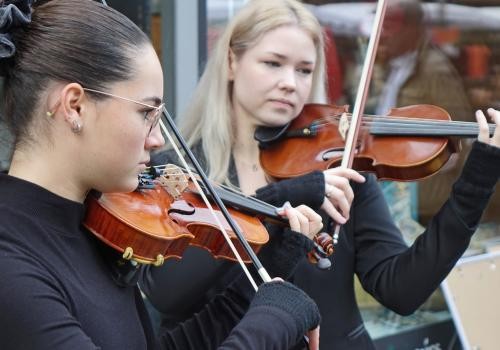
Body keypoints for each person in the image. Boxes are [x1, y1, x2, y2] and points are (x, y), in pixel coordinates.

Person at [141, 0, 500, 349]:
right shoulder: (182, 168)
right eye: (273, 63)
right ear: (232, 61)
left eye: (304, 70)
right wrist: (284, 196)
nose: (289, 83)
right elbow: (168, 295)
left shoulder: (339, 164)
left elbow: (402, 290)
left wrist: (475, 185)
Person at [0, 0, 326, 349]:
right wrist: (273, 322)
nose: (157, 139)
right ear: (74, 106)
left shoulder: (89, 228)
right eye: (145, 113)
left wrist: (258, 287)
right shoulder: (10, 262)